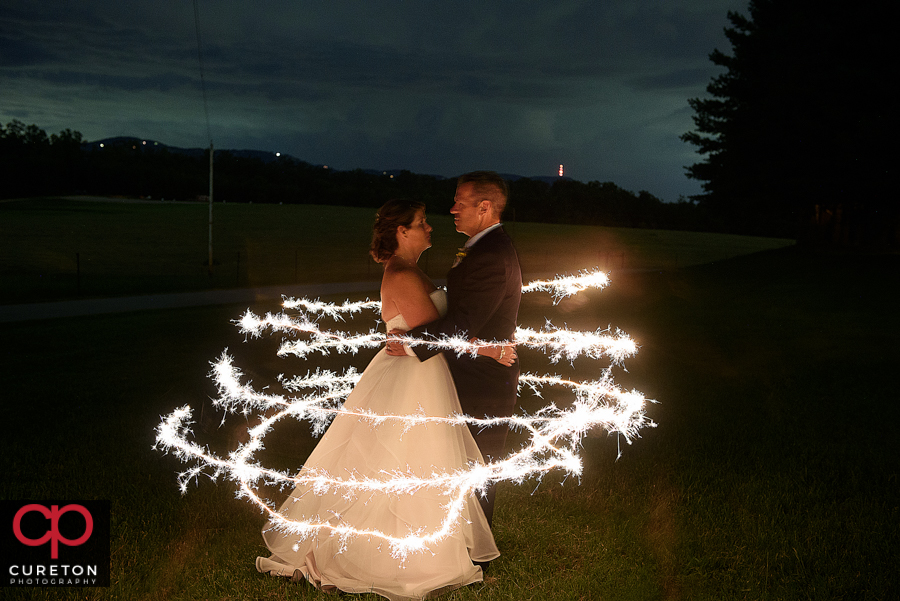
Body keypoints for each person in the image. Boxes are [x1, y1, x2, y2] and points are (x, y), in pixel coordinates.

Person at [255, 198, 511, 600]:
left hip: (422, 373)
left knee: (418, 459)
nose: (430, 228)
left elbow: (425, 336)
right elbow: (433, 337)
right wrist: (489, 350)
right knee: (403, 459)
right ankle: (388, 554)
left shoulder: (412, 271)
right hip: (411, 378)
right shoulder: (403, 276)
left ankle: (426, 545)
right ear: (401, 232)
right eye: (422, 223)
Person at [388, 171, 522, 528]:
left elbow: (463, 324)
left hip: (484, 381)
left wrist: (411, 344)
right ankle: (458, 541)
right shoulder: (482, 249)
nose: (451, 210)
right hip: (471, 370)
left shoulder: (491, 256)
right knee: (460, 461)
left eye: (459, 203)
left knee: (477, 464)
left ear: (484, 207)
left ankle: (476, 553)